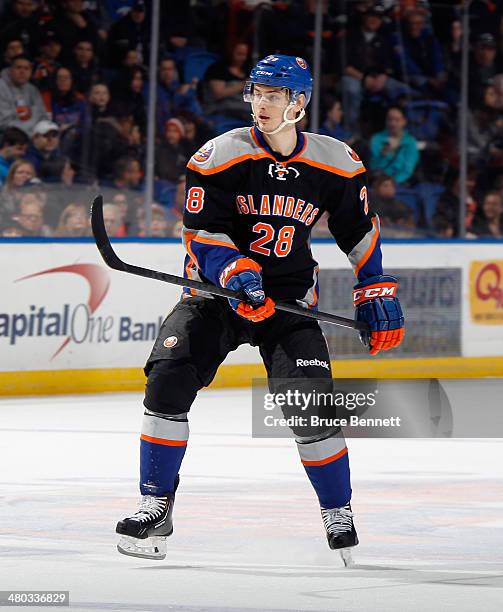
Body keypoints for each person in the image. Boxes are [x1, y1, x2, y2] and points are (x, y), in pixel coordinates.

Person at [115, 55, 405, 560]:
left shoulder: (337, 162)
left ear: (300, 103)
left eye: (275, 94)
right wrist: (236, 271)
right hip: (217, 294)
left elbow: (357, 229)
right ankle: (155, 506)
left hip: (288, 303)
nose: (262, 103)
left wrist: (373, 283)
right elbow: (201, 232)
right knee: (167, 379)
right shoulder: (219, 155)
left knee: (310, 408)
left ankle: (338, 510)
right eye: (257, 92)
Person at [0, 54, 49, 135]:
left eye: (26, 69)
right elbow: (4, 123)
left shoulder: (32, 89)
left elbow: (43, 116)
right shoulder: (1, 88)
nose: (22, 72)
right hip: (6, 137)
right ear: (10, 70)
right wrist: (33, 132)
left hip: (33, 136)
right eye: (18, 67)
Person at [369, 106, 419, 184]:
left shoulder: (410, 142)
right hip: (377, 182)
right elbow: (373, 165)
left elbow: (408, 169)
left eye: (397, 120)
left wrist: (393, 182)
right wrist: (382, 155)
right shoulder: (376, 139)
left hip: (400, 184)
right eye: (389, 119)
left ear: (404, 121)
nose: (393, 123)